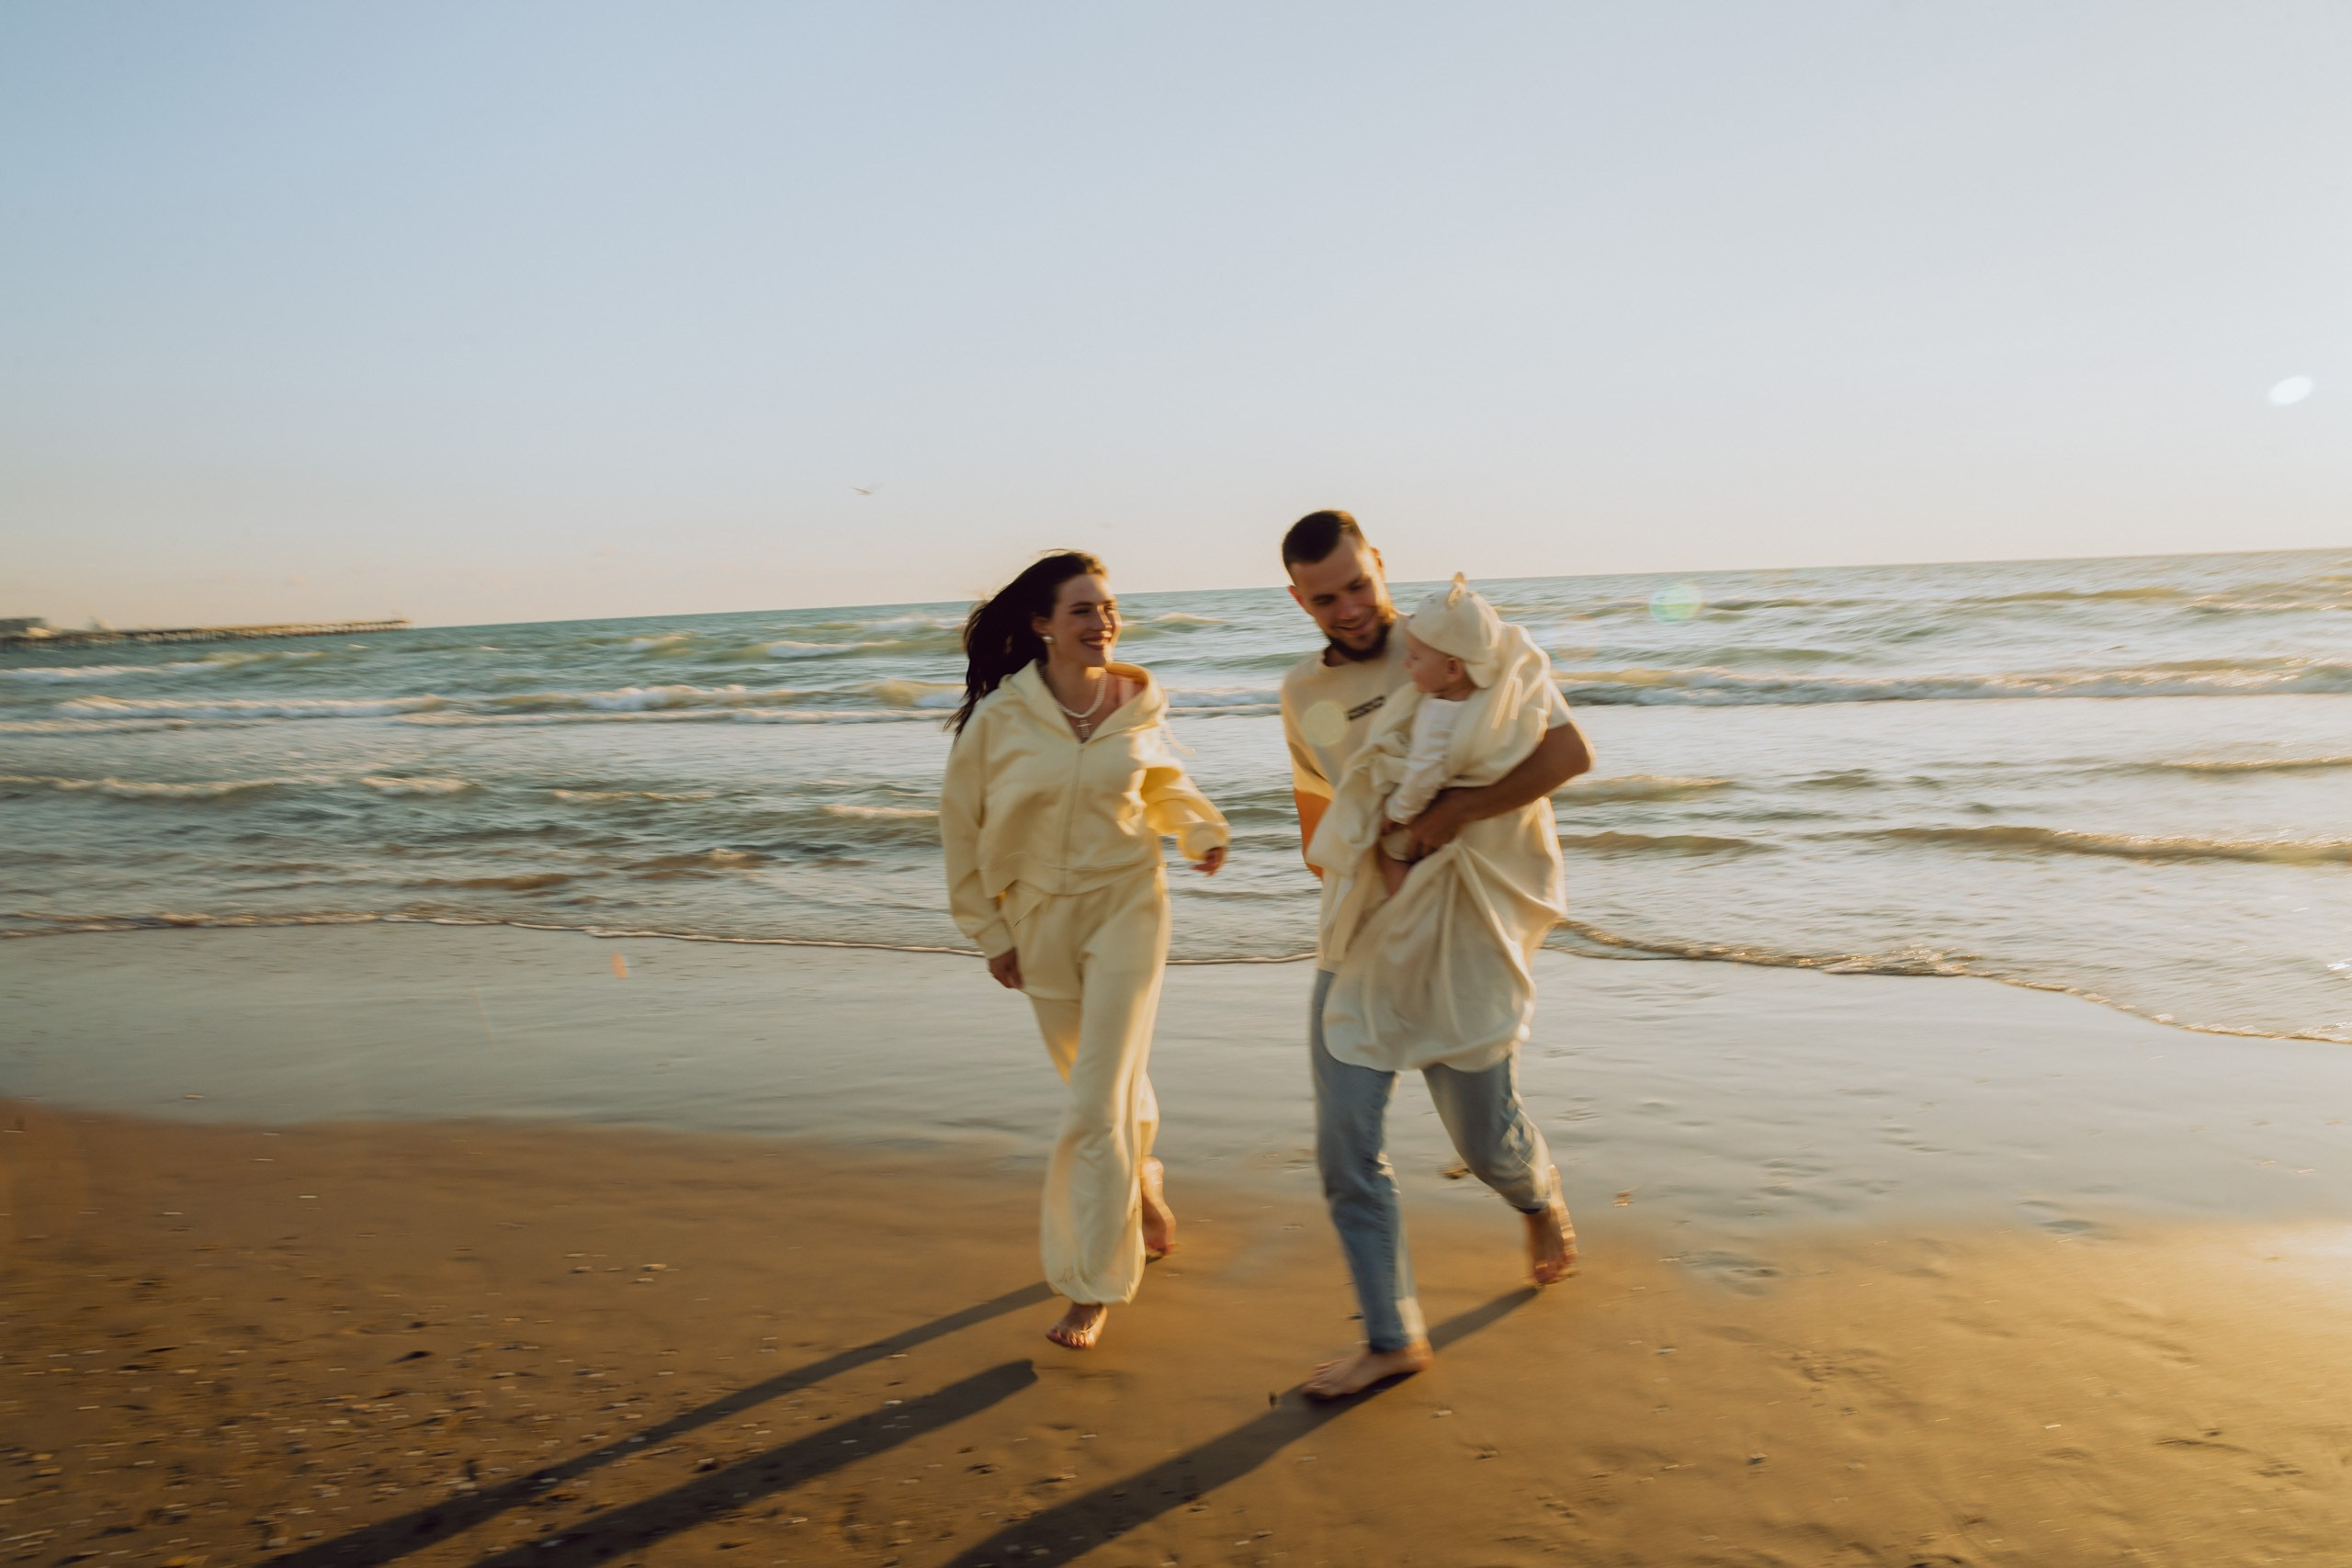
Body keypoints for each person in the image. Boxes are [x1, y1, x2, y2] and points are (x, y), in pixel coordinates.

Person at [1277, 512, 1592, 1399]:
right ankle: (1392, 1336)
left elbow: (1568, 751)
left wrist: (1444, 820)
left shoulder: (1464, 644)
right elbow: (1317, 823)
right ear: (1297, 598)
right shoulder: (1301, 692)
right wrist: (1365, 864)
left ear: (1379, 564)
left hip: (1465, 930)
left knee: (1484, 1139)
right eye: (1324, 597)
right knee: (1345, 1142)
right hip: (1368, 926)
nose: (1346, 608)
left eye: (1357, 585)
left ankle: (1538, 1198)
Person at [940, 550, 1230, 1351]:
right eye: (1082, 610)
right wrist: (991, 932)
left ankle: (1089, 1285)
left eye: (1107, 607)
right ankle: (1143, 1182)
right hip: (1039, 921)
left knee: (1093, 1105)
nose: (1102, 620)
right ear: (1043, 626)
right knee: (1097, 1084)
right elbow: (959, 828)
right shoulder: (1001, 719)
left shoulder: (1137, 702)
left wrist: (1200, 829)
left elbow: (1163, 783)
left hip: (1130, 909)